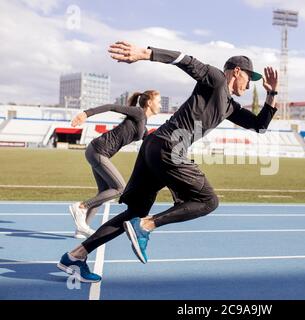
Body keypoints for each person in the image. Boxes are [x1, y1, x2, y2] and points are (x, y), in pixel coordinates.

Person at [57, 41, 278, 283]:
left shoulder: (228, 106)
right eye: (250, 78)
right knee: (208, 201)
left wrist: (271, 93)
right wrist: (144, 53)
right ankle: (147, 226)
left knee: (135, 211)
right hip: (168, 148)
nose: (249, 85)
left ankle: (75, 256)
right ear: (237, 71)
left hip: (153, 147)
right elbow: (186, 60)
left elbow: (260, 125)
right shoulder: (216, 79)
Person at [68, 90, 162, 239]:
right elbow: (111, 106)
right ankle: (81, 207)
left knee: (104, 192)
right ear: (149, 103)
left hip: (99, 152)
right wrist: (85, 114)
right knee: (120, 188)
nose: (161, 105)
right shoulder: (138, 112)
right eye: (159, 101)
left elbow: (150, 142)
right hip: (98, 151)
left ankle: (82, 227)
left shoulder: (143, 124)